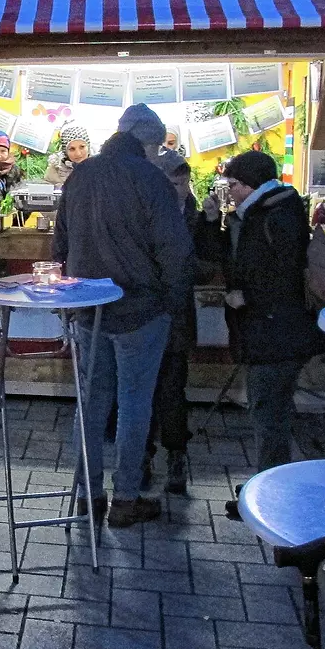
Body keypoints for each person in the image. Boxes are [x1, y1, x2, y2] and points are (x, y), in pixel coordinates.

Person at [53, 131, 194, 527]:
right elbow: (174, 248)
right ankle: (126, 499)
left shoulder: (80, 176)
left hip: (88, 310)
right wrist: (171, 301)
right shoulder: (150, 178)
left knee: (92, 404)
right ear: (144, 144)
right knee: (135, 405)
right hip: (140, 310)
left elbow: (59, 243)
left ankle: (87, 495)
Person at [206, 151, 324, 481]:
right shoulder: (264, 209)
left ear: (248, 184)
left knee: (269, 412)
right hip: (267, 328)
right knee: (268, 411)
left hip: (276, 331)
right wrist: (212, 220)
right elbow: (228, 255)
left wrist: (248, 296)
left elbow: (284, 271)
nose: (229, 190)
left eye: (232, 184)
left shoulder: (276, 213)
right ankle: (270, 483)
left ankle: (272, 490)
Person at [144, 153, 202, 495]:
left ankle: (176, 456)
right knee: (144, 392)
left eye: (182, 183)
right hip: (147, 312)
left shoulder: (194, 215)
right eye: (171, 183)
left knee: (171, 391)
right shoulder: (145, 214)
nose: (178, 189)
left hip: (176, 315)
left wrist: (209, 224)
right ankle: (145, 456)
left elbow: (204, 263)